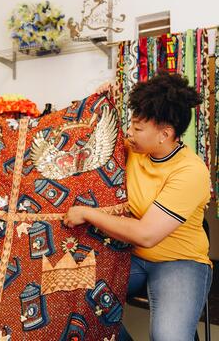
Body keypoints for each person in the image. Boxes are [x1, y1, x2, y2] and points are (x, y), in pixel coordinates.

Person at [64, 72, 212, 341]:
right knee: (70, 301)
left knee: (169, 337)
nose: (129, 132)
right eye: (130, 125)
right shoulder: (133, 148)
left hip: (179, 261)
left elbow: (147, 234)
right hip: (132, 256)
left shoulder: (190, 172)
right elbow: (85, 140)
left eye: (138, 128)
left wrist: (87, 213)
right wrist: (97, 102)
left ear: (164, 135)